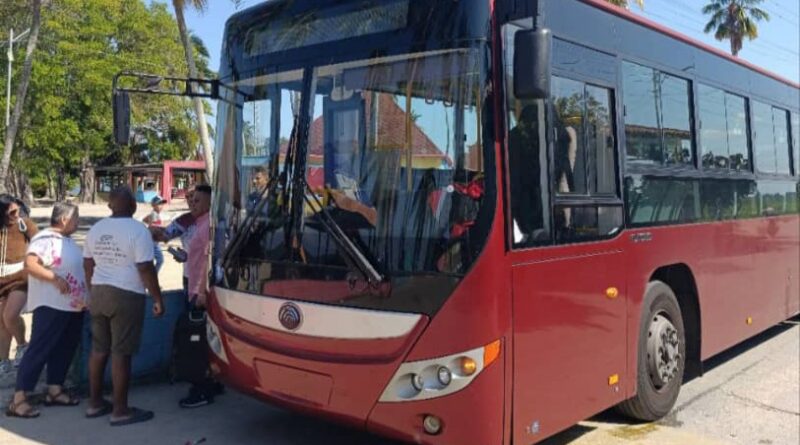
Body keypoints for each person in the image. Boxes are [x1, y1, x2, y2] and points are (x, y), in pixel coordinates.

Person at [83, 186, 164, 426]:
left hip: (99, 292)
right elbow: (146, 268)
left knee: (99, 350)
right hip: (126, 295)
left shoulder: (96, 229)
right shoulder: (138, 231)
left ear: (109, 206)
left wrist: (92, 291)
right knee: (121, 353)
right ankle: (120, 410)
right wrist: (158, 298)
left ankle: (95, 404)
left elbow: (88, 264)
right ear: (134, 206)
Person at [6, 203, 86, 418]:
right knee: (39, 349)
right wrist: (54, 278)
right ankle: (19, 398)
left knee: (64, 348)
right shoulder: (44, 238)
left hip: (72, 306)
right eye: (76, 218)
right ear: (64, 220)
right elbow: (31, 264)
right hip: (51, 304)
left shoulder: (66, 240)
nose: (78, 222)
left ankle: (54, 389)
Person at [179, 184, 222, 408]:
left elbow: (209, 261)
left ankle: (202, 388)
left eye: (196, 201)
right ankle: (212, 382)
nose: (192, 204)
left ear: (208, 204)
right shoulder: (197, 223)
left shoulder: (207, 227)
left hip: (199, 290)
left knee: (197, 342)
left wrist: (201, 292)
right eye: (191, 200)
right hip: (194, 286)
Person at [0, 194, 37, 376]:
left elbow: (40, 243)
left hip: (20, 277)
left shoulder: (25, 224)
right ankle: (4, 360)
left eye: (18, 210)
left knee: (10, 315)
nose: (16, 214)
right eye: (12, 211)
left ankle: (22, 345)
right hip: (1, 278)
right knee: (1, 322)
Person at [142, 195, 169, 273]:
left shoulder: (153, 214)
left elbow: (144, 219)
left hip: (151, 241)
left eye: (162, 204)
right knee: (160, 260)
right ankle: (153, 277)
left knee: (150, 261)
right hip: (153, 241)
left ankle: (149, 279)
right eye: (159, 204)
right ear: (153, 205)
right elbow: (154, 227)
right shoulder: (154, 214)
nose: (161, 206)